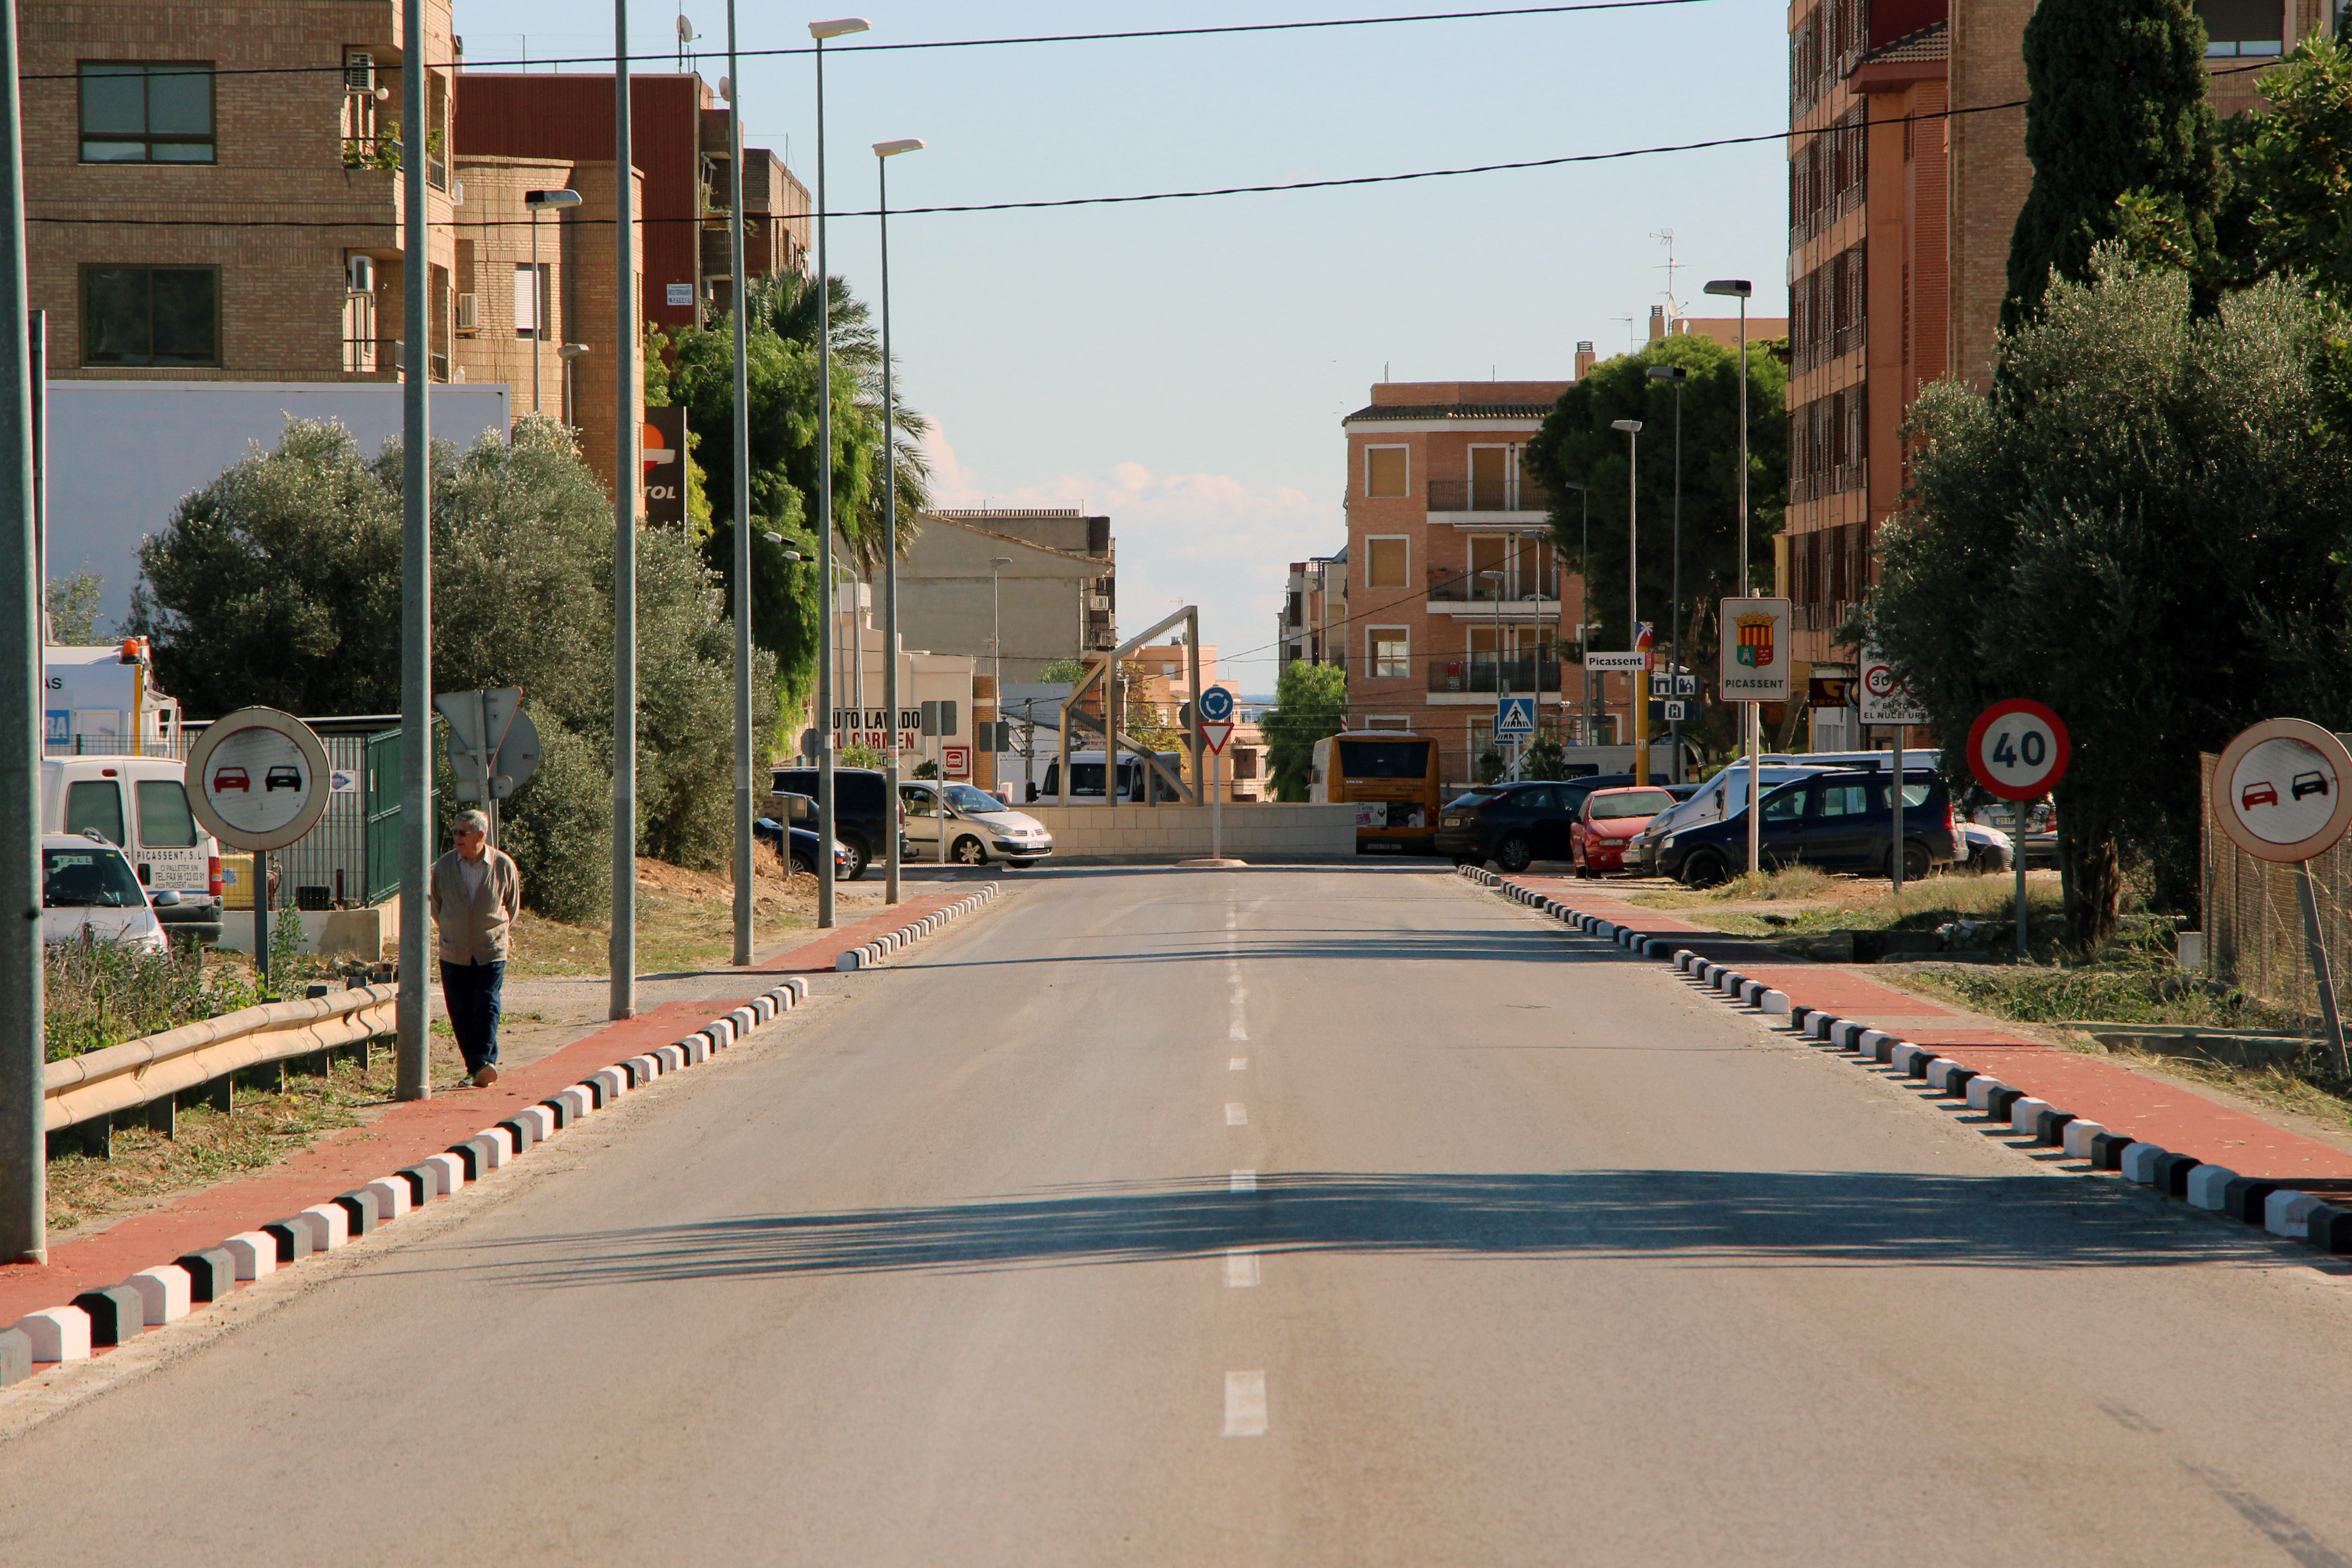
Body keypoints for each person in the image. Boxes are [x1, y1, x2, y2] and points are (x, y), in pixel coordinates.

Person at [428, 809, 522, 1087]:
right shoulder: (443, 867)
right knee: (460, 1009)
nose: (456, 837)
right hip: (454, 951)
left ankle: (485, 1061)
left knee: (487, 1002)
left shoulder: (503, 866)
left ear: (481, 836)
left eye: (462, 832)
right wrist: (454, 930)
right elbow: (437, 907)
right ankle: (476, 1067)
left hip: (490, 949)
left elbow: (512, 907)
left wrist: (495, 932)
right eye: (454, 832)